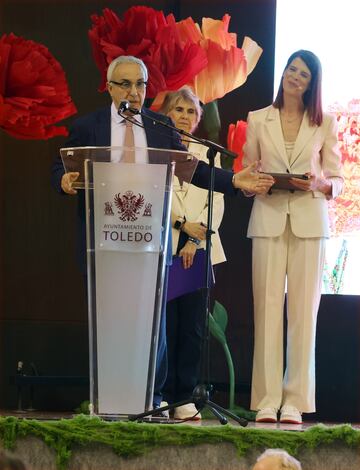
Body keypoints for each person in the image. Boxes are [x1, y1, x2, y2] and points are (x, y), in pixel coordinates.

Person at [51, 55, 274, 411]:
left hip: (149, 243)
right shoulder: (88, 127)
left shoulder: (159, 126)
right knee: (110, 325)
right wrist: (63, 182)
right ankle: (106, 400)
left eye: (140, 84)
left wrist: (233, 180)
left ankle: (151, 399)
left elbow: (192, 171)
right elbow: (59, 166)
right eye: (125, 84)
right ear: (109, 88)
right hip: (102, 244)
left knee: (151, 329)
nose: (134, 91)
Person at [243, 50, 343, 424]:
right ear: (283, 73)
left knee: (304, 314)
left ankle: (295, 401)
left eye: (304, 73)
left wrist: (319, 183)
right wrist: (257, 183)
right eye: (291, 69)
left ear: (312, 83)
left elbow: (339, 180)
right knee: (266, 310)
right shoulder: (257, 119)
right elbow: (247, 171)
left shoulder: (325, 123)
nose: (295, 76)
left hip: (309, 220)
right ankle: (267, 399)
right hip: (268, 216)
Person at [158, 87, 226, 420]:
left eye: (190, 112)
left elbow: (218, 201)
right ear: (166, 113)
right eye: (178, 109)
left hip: (199, 250)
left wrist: (196, 238)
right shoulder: (157, 151)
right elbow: (153, 197)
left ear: (198, 119)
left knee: (193, 328)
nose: (184, 116)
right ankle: (163, 395)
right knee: (166, 327)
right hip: (166, 245)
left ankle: (184, 396)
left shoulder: (206, 153)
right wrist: (182, 226)